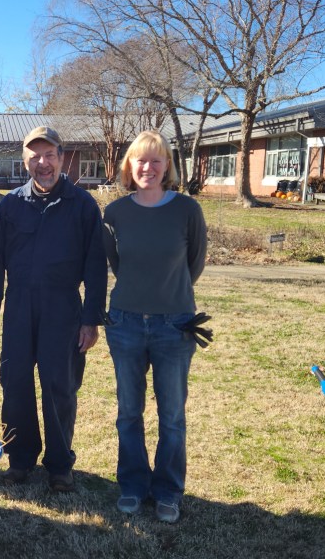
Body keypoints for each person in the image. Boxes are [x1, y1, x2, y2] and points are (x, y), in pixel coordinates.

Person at [0, 126, 107, 492]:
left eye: (49, 155)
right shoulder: (11, 205)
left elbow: (96, 267)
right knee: (15, 383)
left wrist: (91, 319)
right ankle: (20, 459)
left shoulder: (82, 205)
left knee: (59, 385)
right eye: (34, 157)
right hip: (19, 305)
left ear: (60, 157)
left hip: (62, 306)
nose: (43, 163)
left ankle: (58, 465)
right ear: (25, 162)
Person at [102, 130, 207, 523]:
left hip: (175, 326)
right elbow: (116, 264)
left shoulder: (187, 210)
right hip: (125, 323)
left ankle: (167, 491)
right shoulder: (114, 214)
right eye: (140, 160)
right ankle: (132, 484)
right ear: (129, 166)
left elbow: (194, 262)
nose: (148, 168)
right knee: (129, 411)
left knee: (172, 415)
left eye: (156, 160)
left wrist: (169, 298)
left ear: (168, 166)